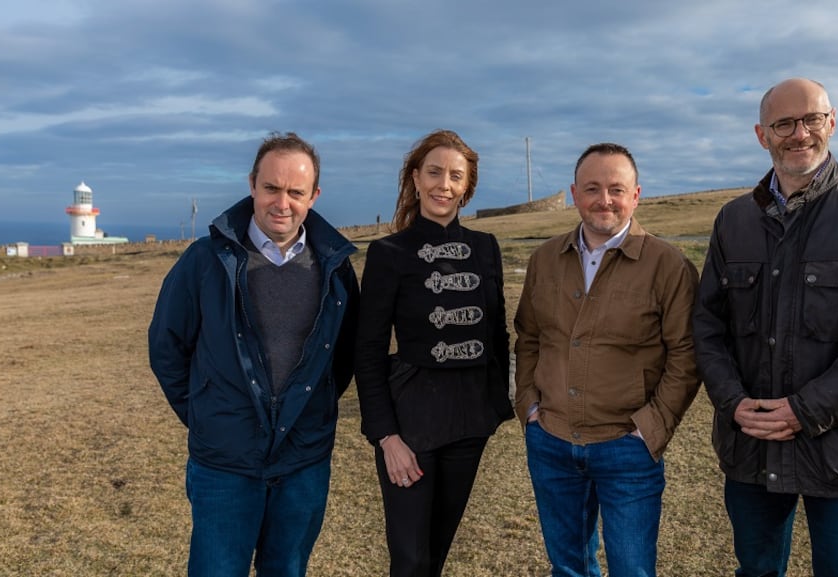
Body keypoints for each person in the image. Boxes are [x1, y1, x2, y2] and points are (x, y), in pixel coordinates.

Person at [692, 78, 838, 577]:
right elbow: (707, 325)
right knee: (756, 570)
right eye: (783, 124)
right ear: (762, 134)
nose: (799, 133)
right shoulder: (733, 220)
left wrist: (805, 410)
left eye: (812, 119)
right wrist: (734, 403)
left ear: (832, 122)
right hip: (751, 444)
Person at [148, 132, 359, 577]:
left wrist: (309, 412)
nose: (282, 202)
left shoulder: (336, 268)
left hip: (302, 462)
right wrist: (207, 413)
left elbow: (340, 361)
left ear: (314, 196)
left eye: (296, 192)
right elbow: (167, 346)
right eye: (272, 188)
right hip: (225, 464)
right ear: (252, 185)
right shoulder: (205, 260)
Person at [514, 142, 700, 577]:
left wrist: (650, 427)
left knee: (631, 570)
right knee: (569, 568)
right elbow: (529, 336)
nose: (604, 200)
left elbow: (686, 355)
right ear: (574, 194)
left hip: (627, 448)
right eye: (592, 188)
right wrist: (528, 405)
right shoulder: (545, 259)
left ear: (636, 195)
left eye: (617, 188)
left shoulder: (668, 265)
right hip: (552, 441)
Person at [354, 129, 514, 577]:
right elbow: (366, 350)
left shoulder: (486, 248)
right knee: (410, 560)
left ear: (467, 187)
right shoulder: (388, 253)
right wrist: (386, 436)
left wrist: (495, 404)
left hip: (469, 420)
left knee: (437, 555)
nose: (444, 184)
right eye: (435, 172)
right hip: (411, 425)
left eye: (456, 176)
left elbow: (497, 332)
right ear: (416, 179)